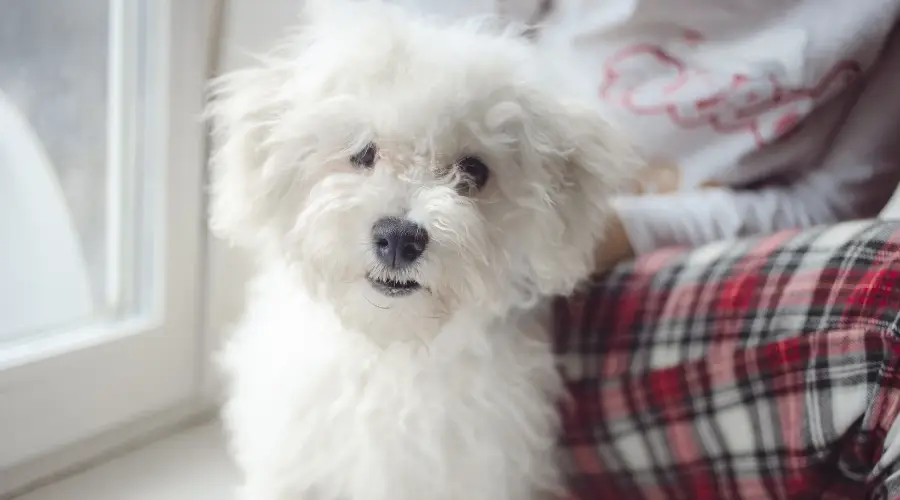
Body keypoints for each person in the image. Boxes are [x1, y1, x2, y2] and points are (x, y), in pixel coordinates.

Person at [486, 1, 900, 497]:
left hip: (674, 274)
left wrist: (617, 229)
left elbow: (834, 200)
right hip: (508, 243)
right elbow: (451, 65)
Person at [493, 0, 900, 269]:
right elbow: (463, 50)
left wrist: (621, 229)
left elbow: (835, 205)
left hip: (703, 248)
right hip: (513, 185)